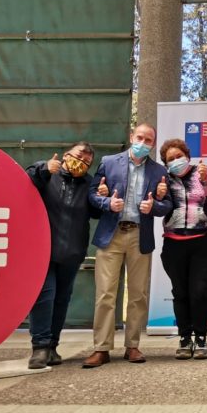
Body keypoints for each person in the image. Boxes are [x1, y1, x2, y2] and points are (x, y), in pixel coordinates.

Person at [82, 124, 173, 368]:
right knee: (105, 295)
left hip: (139, 236)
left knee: (138, 295)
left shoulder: (159, 171)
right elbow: (92, 194)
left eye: (149, 140)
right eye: (140, 137)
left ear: (153, 144)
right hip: (110, 236)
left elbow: (168, 206)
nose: (144, 142)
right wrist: (105, 202)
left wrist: (154, 206)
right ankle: (101, 348)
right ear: (132, 137)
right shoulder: (109, 162)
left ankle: (132, 346)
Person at [25, 142, 100, 369]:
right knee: (44, 298)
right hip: (43, 250)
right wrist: (46, 168)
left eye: (87, 161)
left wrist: (102, 195)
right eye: (78, 156)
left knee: (61, 299)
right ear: (67, 155)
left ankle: (52, 347)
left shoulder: (89, 184)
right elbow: (27, 178)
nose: (81, 163)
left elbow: (97, 211)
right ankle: (40, 347)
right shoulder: (48, 172)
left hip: (72, 251)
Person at [159, 139, 207, 360]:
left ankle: (201, 337)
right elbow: (159, 205)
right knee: (180, 292)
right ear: (165, 163)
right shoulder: (163, 178)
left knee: (200, 291)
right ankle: (185, 338)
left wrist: (205, 180)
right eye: (170, 159)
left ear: (187, 155)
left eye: (179, 156)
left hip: (203, 241)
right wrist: (158, 194)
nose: (176, 161)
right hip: (173, 243)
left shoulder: (203, 171)